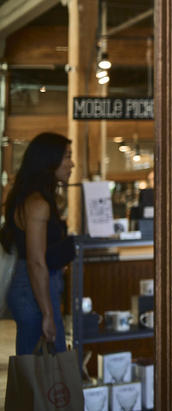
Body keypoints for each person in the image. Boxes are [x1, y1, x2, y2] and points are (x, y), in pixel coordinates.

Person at [0, 132, 75, 355]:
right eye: (67, 157)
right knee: (45, 369)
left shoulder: (36, 199)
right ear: (49, 161)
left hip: (35, 287)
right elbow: (35, 262)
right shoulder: (37, 203)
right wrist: (48, 314)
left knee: (36, 368)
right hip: (35, 290)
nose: (72, 164)